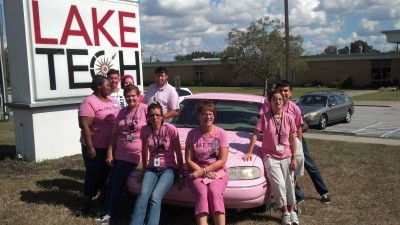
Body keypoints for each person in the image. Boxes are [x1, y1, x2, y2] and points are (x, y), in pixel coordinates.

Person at [244, 89, 298, 225]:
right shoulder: (264, 117)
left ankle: (292, 212)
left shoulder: (289, 118)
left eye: (280, 99)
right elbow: (256, 134)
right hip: (270, 156)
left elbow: (292, 139)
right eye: (274, 99)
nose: (278, 102)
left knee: (289, 185)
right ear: (270, 102)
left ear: (283, 101)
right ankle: (285, 212)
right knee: (279, 185)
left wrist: (294, 157)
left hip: (286, 156)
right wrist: (249, 151)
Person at [94, 84, 148, 224]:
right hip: (119, 153)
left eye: (133, 96)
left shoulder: (145, 109)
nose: (130, 98)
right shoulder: (122, 112)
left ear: (138, 96)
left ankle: (110, 213)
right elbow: (114, 134)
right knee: (111, 182)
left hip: (134, 154)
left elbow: (155, 128)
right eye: (128, 96)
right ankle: (105, 209)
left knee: (117, 181)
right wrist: (110, 152)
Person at [275, 80, 330, 204]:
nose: (283, 93)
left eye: (286, 91)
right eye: (280, 90)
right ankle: (298, 196)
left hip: (295, 140)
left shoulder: (294, 108)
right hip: (280, 143)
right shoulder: (272, 105)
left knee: (309, 165)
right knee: (288, 168)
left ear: (290, 93)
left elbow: (302, 126)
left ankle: (324, 192)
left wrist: (298, 143)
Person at [129, 102, 184, 225]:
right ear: (148, 117)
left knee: (155, 197)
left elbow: (179, 153)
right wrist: (144, 169)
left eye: (158, 115)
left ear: (162, 116)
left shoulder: (170, 129)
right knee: (143, 195)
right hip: (151, 169)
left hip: (168, 169)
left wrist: (180, 175)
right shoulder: (145, 129)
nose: (155, 118)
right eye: (152, 115)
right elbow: (144, 149)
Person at [74, 75, 120, 216]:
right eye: (107, 85)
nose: (110, 86)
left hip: (110, 146)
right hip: (95, 146)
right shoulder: (89, 103)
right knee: (93, 173)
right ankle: (86, 202)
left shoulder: (111, 99)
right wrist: (90, 147)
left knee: (106, 173)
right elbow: (85, 127)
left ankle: (103, 197)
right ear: (98, 86)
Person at [185, 100, 229, 225]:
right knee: (202, 193)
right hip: (196, 171)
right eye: (204, 114)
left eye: (211, 114)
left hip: (217, 172)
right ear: (198, 115)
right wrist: (202, 173)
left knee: (214, 192)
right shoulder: (192, 134)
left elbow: (222, 160)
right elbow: (188, 160)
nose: (208, 117)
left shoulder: (221, 133)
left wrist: (205, 171)